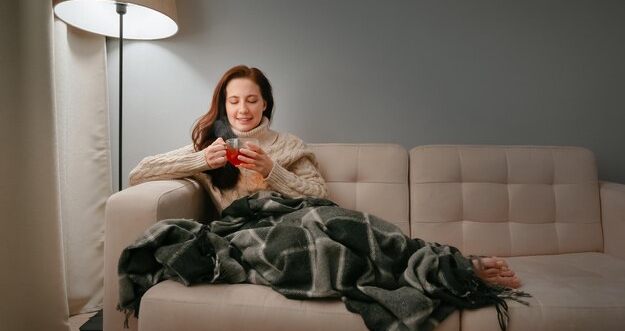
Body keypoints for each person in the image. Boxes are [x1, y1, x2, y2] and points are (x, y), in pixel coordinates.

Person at [129, 65, 520, 289]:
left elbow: (320, 195)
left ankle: (452, 266)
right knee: (325, 251)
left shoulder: (289, 145)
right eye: (234, 101)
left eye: (251, 100)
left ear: (265, 102)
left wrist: (273, 170)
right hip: (252, 232)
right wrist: (200, 160)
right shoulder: (211, 147)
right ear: (223, 104)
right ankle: (452, 272)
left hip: (302, 219)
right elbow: (139, 173)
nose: (242, 109)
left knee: (354, 226)